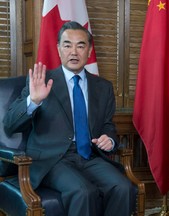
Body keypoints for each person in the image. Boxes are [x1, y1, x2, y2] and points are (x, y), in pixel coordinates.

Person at [3, 21, 133, 216]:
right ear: (58, 49)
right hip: (53, 159)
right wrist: (33, 101)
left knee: (124, 187)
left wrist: (110, 139)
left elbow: (108, 126)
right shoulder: (41, 81)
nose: (74, 52)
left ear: (89, 51)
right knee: (83, 192)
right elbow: (10, 124)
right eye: (67, 45)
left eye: (80, 46)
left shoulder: (103, 87)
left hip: (90, 156)